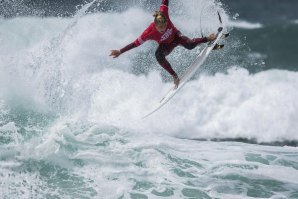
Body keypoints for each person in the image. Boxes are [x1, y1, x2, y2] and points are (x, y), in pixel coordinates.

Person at [110, 0, 216, 88]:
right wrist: (120, 51)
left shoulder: (164, 13)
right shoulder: (148, 33)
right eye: (160, 28)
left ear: (166, 22)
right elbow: (135, 44)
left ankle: (207, 38)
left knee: (190, 46)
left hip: (176, 36)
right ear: (155, 25)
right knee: (158, 55)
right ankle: (174, 76)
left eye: (164, 26)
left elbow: (165, 1)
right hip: (166, 45)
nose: (162, 29)